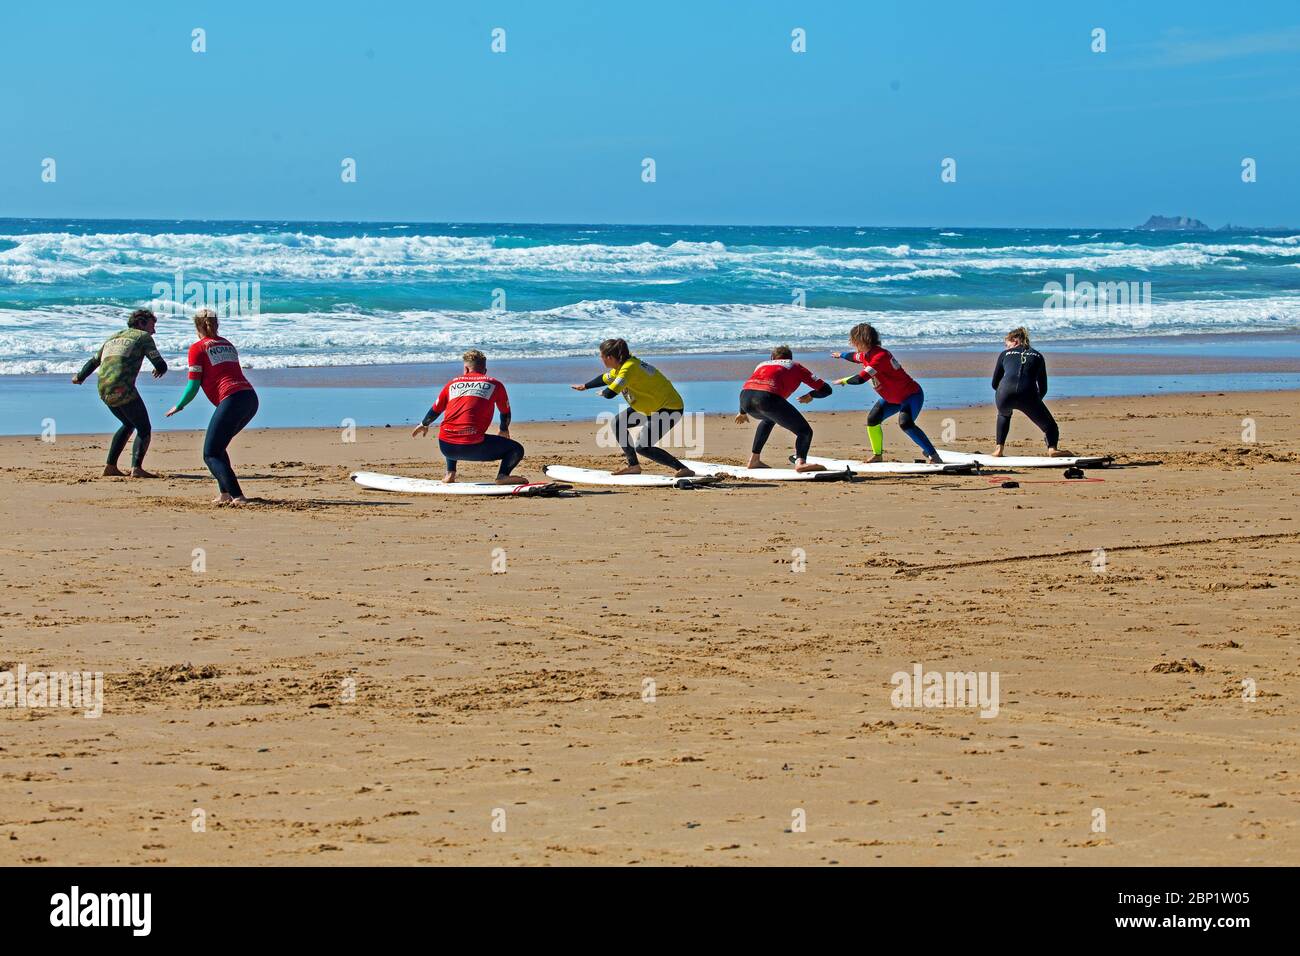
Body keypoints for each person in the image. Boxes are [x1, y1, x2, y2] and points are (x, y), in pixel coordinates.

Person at [165, 309, 259, 505]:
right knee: (219, 447)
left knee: (210, 453)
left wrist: (179, 405)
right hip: (250, 398)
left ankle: (238, 496)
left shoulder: (197, 348)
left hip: (232, 400)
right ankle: (225, 493)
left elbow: (193, 385)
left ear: (197, 326)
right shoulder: (227, 344)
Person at [571, 338, 694, 477]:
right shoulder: (621, 367)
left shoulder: (629, 368)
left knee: (643, 447)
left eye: (601, 356)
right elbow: (605, 378)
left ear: (610, 357)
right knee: (618, 423)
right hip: (648, 407)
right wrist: (585, 386)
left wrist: (604, 392)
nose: (601, 359)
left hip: (669, 408)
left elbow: (611, 393)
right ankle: (633, 466)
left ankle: (682, 469)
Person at [71, 308, 167, 477]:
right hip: (124, 389)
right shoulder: (143, 337)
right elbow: (159, 363)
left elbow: (94, 362)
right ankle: (136, 469)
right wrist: (161, 368)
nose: (154, 331)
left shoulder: (113, 338)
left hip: (103, 389)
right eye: (152, 325)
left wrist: (80, 377)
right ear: (141, 323)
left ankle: (110, 467)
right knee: (144, 428)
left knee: (129, 424)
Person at [411, 350, 526, 484]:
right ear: (485, 370)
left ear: (465, 369)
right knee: (516, 449)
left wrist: (424, 424)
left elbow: (436, 409)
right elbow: (505, 412)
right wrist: (503, 429)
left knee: (452, 427)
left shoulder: (452, 384)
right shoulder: (495, 384)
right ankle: (502, 476)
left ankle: (450, 474)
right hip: (473, 447)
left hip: (446, 448)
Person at [830, 322, 940, 463]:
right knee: (873, 419)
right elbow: (853, 356)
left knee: (905, 423)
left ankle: (933, 455)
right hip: (891, 399)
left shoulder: (880, 357)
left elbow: (860, 379)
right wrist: (841, 355)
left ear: (862, 340)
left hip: (911, 396)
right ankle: (877, 455)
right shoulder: (866, 354)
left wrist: (843, 380)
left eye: (853, 340)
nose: (851, 343)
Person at [734, 346, 831, 470]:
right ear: (790, 358)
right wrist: (811, 395)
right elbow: (827, 390)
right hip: (767, 398)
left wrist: (742, 412)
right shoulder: (794, 366)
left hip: (744, 398)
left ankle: (754, 460)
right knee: (804, 431)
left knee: (768, 419)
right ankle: (800, 462)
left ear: (772, 358)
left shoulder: (762, 364)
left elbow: (754, 386)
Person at [991, 327, 1068, 457]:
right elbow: (1043, 388)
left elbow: (994, 383)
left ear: (1015, 341)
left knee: (1004, 415)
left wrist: (1003, 394)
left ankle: (999, 449)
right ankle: (1052, 449)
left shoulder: (1004, 354)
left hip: (1004, 393)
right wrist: (1034, 403)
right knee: (1051, 427)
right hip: (1028, 394)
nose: (1006, 348)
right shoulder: (1038, 356)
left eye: (1007, 344)